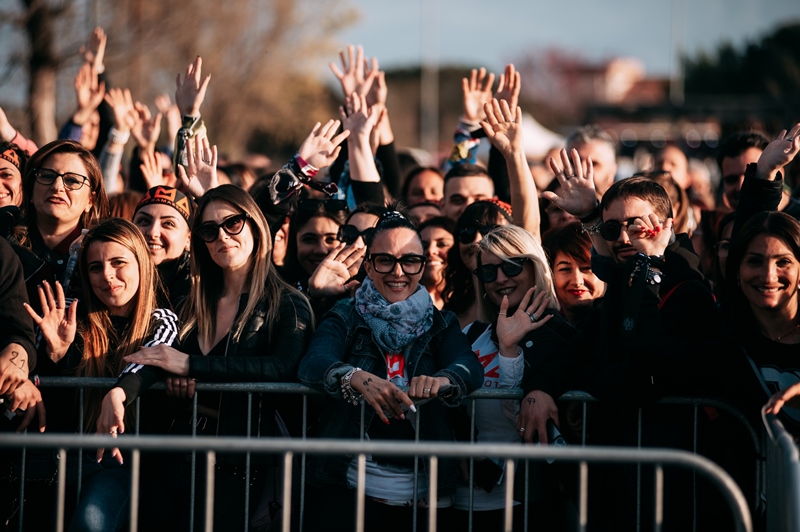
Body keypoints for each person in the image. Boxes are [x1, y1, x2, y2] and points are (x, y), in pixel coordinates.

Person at [528, 148, 718, 529]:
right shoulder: (625, 279)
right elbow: (578, 350)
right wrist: (540, 388)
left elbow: (642, 369)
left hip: (670, 481)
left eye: (637, 225)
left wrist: (590, 383)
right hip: (619, 478)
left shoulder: (687, 289)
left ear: (665, 225)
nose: (624, 237)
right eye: (612, 229)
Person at [118, 184, 314, 530]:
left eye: (232, 223)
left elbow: (284, 368)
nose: (222, 236)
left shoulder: (287, 303)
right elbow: (163, 359)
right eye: (209, 230)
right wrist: (162, 384)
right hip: (173, 454)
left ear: (255, 225)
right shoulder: (191, 302)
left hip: (238, 465)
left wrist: (190, 365)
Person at [298, 209, 483, 532]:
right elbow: (314, 362)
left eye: (409, 261)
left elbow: (468, 367)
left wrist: (443, 380)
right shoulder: (346, 315)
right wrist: (353, 376)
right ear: (369, 265)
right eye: (385, 260)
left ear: (421, 266)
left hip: (425, 496)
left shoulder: (441, 323)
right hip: (346, 489)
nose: (398, 272)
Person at [23, 218, 179, 532]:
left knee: (90, 523)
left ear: (141, 263)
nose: (107, 275)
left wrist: (118, 393)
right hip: (54, 461)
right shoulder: (66, 314)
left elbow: (152, 358)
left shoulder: (160, 320)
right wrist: (55, 356)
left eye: (118, 263)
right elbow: (44, 397)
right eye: (95, 267)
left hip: (118, 466)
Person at [455, 224, 572, 531]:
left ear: (534, 266)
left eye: (511, 265)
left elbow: (521, 417)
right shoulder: (473, 333)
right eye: (489, 272)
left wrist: (508, 350)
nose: (501, 278)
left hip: (521, 501)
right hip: (462, 496)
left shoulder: (558, 334)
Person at [10, 140, 109, 305]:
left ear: (90, 200)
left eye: (73, 180)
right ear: (31, 191)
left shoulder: (103, 254)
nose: (57, 186)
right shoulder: (4, 240)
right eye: (47, 176)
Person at [443, 200, 513, 328]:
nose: (476, 241)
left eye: (489, 231)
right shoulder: (451, 309)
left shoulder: (518, 297)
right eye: (467, 234)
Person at [132, 185, 194, 308]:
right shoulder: (112, 275)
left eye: (168, 223)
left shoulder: (198, 289)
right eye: (144, 221)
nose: (153, 232)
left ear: (188, 239)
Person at [541, 223, 605, 325]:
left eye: (587, 268)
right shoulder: (545, 328)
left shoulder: (621, 323)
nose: (577, 281)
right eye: (565, 269)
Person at [418, 216, 456, 309]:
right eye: (424, 246)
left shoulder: (477, 303)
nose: (431, 251)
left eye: (442, 244)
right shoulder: (399, 303)